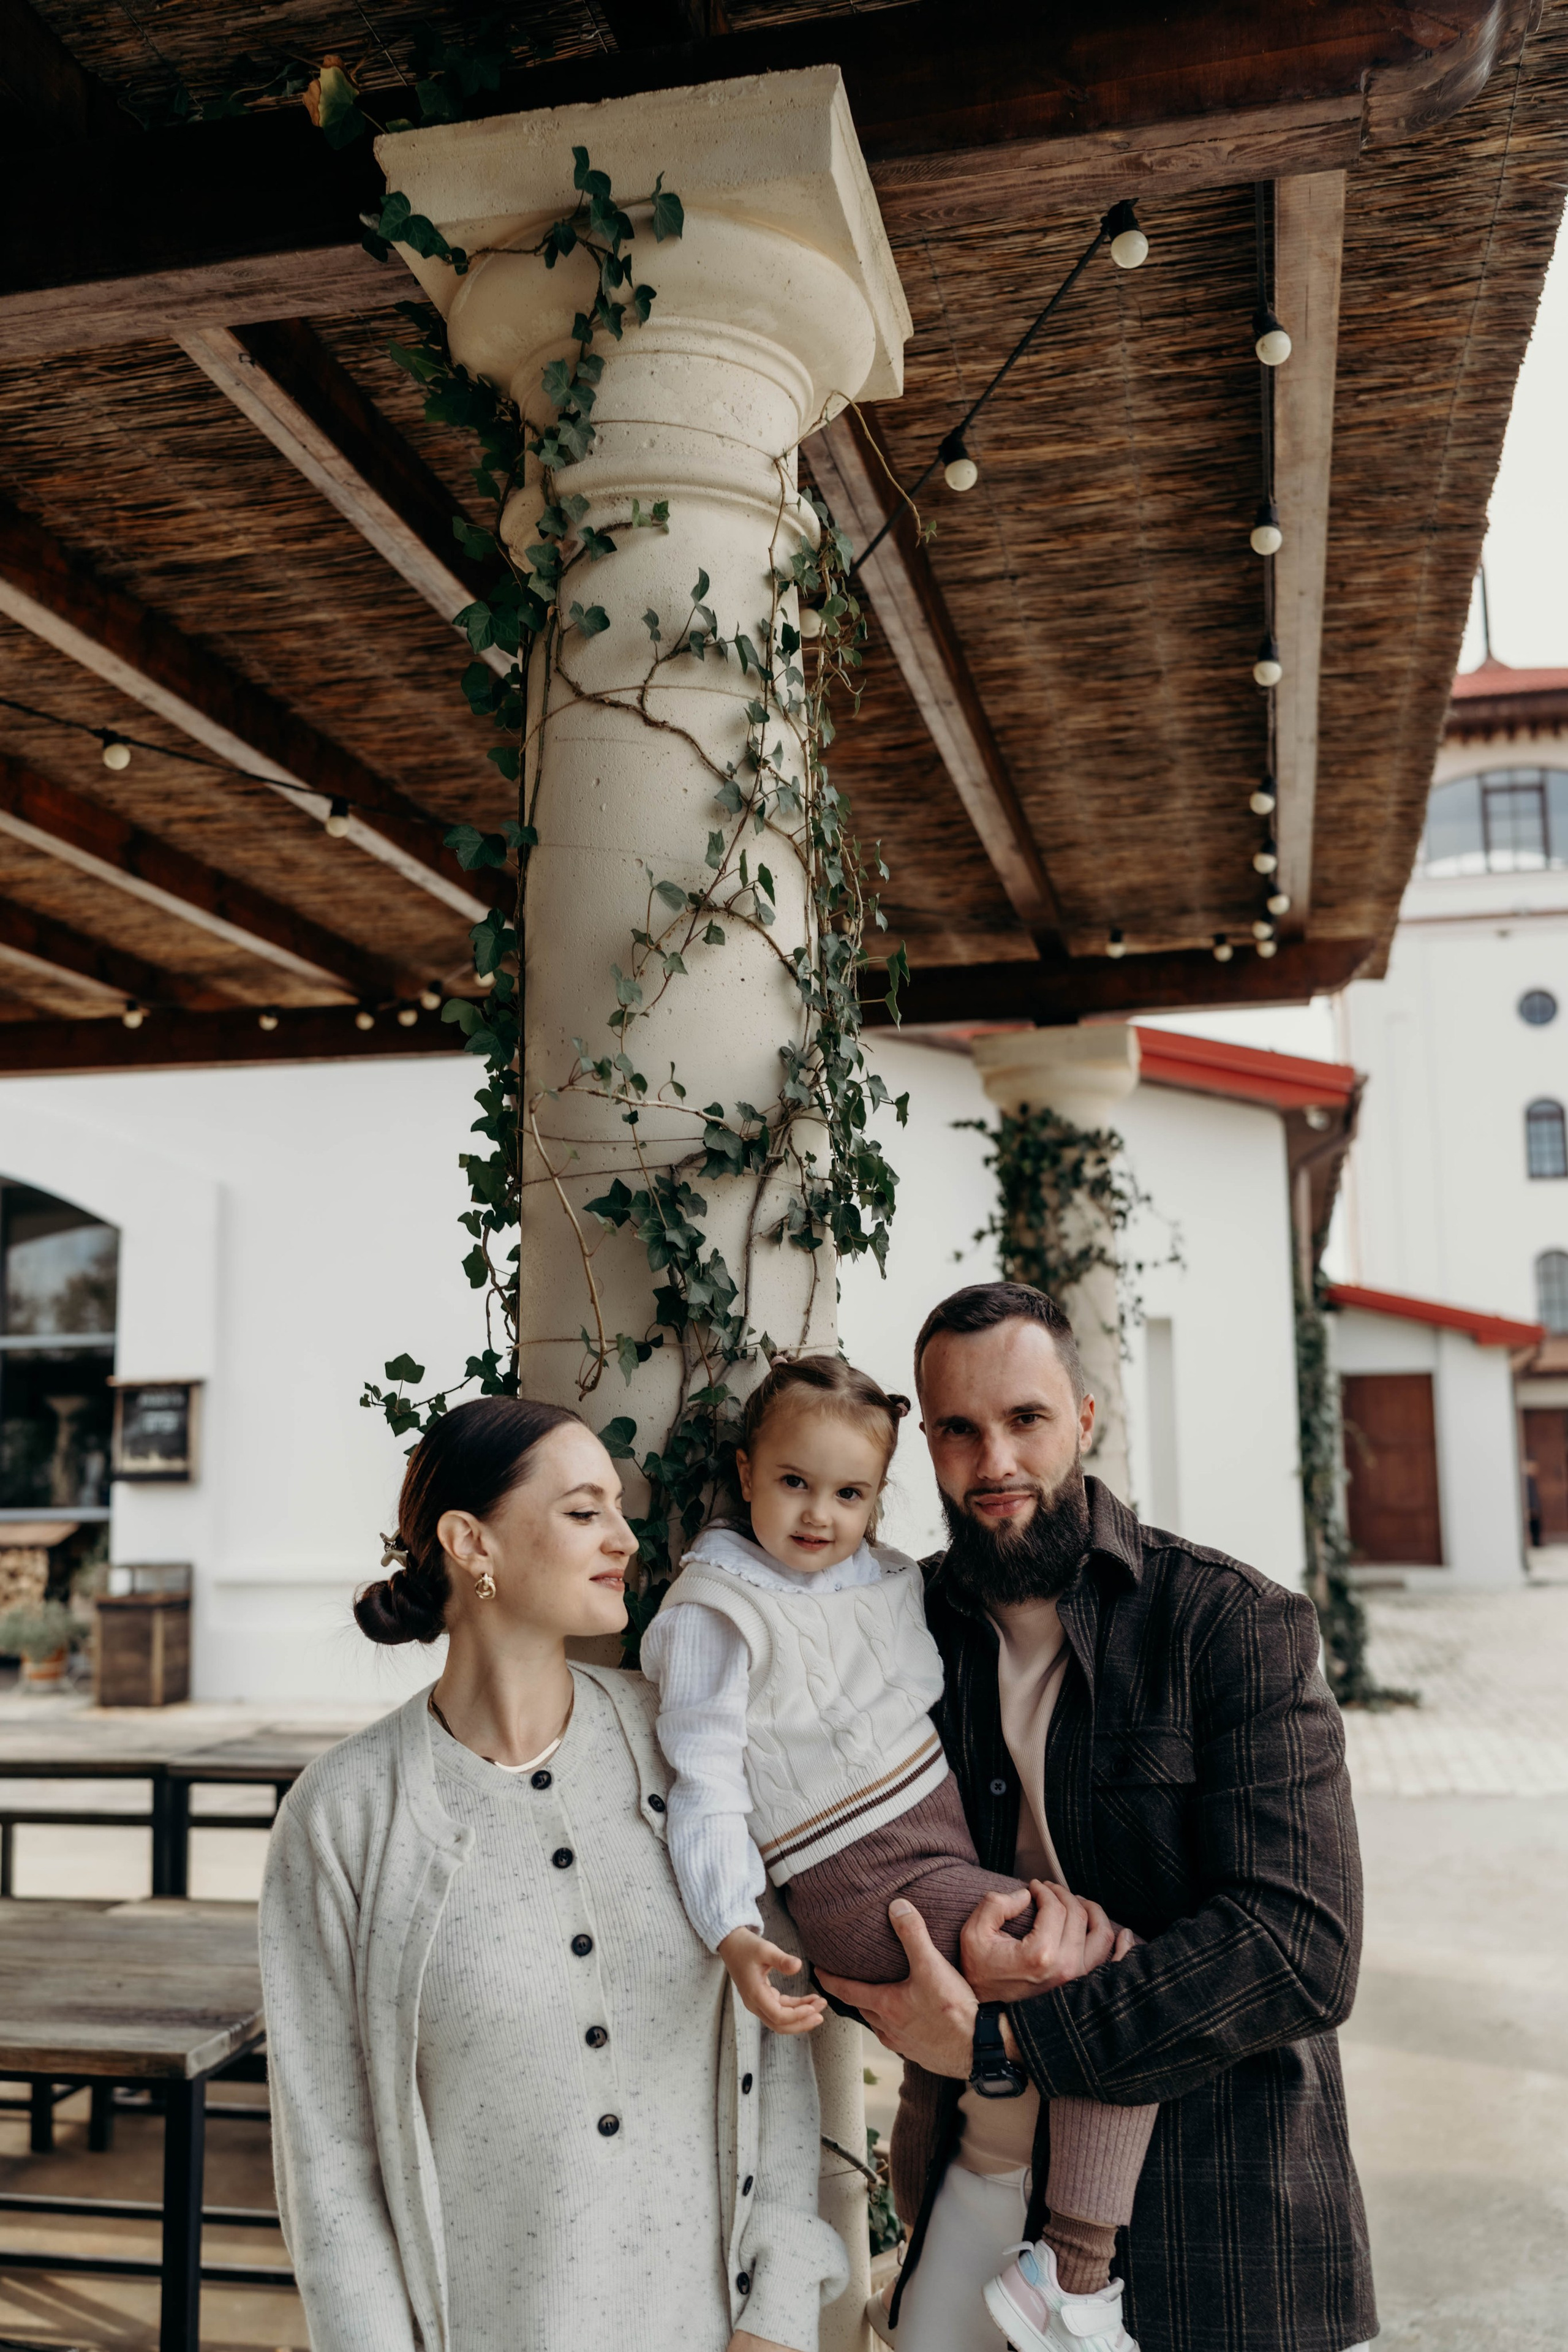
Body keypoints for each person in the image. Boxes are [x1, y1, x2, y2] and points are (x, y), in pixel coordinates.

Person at [817, 1282, 1375, 2352]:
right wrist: (927, 2000)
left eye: (1025, 1420)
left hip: (1212, 2209)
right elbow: (842, 1866)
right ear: (922, 1442)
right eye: (958, 1431)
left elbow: (1302, 1947)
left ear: (1083, 1416)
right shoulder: (892, 1630)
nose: (995, 1465)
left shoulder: (1228, 1623)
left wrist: (1010, 2035)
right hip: (976, 2187)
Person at [258, 1394, 847, 2352]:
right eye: (584, 1512)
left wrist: (777, 2321)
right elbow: (331, 2166)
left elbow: (781, 2044)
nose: (624, 1538)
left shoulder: (685, 1745)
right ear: (470, 1542)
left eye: (617, 1509)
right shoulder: (344, 1817)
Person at [641, 1354, 1156, 2351]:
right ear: (747, 1472)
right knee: (1111, 1970)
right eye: (794, 1483)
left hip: (931, 1851)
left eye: (850, 1494)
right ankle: (1074, 2275)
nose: (819, 1515)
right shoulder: (718, 1609)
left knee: (948, 2064)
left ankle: (922, 2256)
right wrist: (734, 1931)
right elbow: (704, 1788)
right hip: (864, 1880)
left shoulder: (879, 1577)